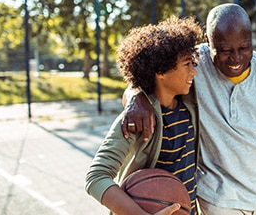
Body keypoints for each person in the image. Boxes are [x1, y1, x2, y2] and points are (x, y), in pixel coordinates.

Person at [121, 3, 256, 215]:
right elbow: (145, 80)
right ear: (208, 41)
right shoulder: (192, 66)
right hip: (217, 199)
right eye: (225, 50)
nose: (236, 58)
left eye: (244, 47)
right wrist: (136, 97)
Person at [85, 16, 202, 215]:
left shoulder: (189, 102)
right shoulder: (136, 119)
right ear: (160, 71)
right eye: (187, 64)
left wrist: (134, 93)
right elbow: (96, 177)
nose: (194, 72)